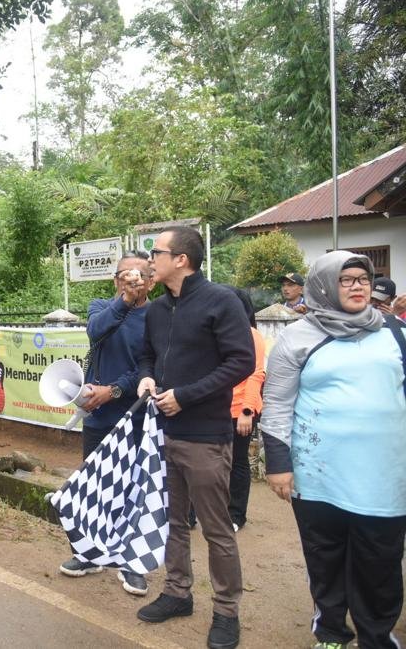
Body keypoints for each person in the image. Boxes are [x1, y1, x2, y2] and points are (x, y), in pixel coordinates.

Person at [260, 251, 406, 649]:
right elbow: (276, 404)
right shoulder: (298, 337)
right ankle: (330, 631)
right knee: (326, 558)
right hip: (319, 473)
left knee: (381, 560)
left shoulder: (393, 331)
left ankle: (376, 634)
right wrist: (278, 463)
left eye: (363, 278)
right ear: (324, 285)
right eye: (346, 279)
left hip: (386, 475)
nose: (358, 285)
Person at [135, 226, 254, 649]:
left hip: (206, 435)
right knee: (172, 521)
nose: (151, 259)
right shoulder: (155, 308)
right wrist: (148, 376)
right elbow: (147, 352)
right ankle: (177, 592)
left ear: (181, 259)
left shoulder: (220, 301)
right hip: (162, 433)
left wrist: (185, 396)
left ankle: (226, 611)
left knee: (217, 528)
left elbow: (241, 360)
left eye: (156, 252)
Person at [59, 250, 154, 597]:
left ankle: (132, 564)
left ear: (152, 281)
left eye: (139, 276)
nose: (132, 280)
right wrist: (124, 302)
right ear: (115, 280)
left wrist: (113, 391)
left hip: (136, 416)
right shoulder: (101, 306)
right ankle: (88, 554)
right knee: (93, 486)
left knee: (134, 490)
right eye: (125, 275)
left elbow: (150, 366)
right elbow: (96, 332)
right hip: (99, 419)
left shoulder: (158, 317)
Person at [224, 287, 266, 533]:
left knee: (237, 462)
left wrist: (247, 411)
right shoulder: (220, 332)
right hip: (218, 408)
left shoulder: (251, 335)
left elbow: (256, 374)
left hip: (241, 410)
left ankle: (236, 515)